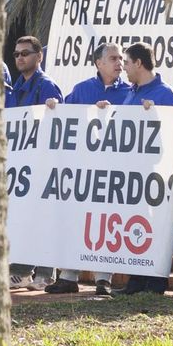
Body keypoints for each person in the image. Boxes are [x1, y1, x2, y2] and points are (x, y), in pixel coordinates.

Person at [44, 42, 130, 296]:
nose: (119, 63)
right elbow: (63, 115)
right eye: (113, 58)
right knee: (77, 220)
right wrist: (52, 107)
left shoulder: (129, 92)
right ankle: (68, 276)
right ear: (98, 63)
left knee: (107, 222)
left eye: (121, 59)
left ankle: (104, 279)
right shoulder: (82, 90)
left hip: (114, 170)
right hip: (82, 169)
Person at [122, 41, 173, 295]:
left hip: (156, 174)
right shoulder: (131, 92)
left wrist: (156, 114)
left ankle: (156, 281)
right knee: (133, 224)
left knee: (154, 226)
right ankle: (135, 281)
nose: (123, 68)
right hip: (130, 172)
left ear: (138, 63)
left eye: (126, 62)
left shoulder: (165, 94)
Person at [5, 35, 63, 291]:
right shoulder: (15, 87)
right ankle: (21, 271)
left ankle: (45, 273)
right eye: (17, 54)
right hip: (21, 164)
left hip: (43, 163)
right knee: (23, 217)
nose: (20, 58)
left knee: (43, 217)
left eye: (25, 53)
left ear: (39, 57)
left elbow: (57, 122)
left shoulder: (47, 86)